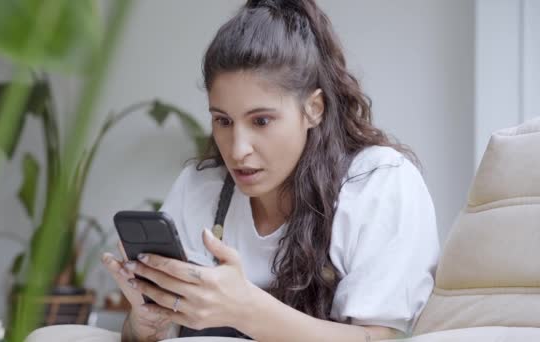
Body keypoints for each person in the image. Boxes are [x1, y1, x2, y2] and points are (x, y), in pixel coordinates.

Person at [102, 0, 440, 341]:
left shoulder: (377, 184)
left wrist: (247, 310)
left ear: (313, 109)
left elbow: (379, 339)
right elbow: (155, 333)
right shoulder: (199, 189)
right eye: (223, 121)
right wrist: (146, 323)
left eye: (261, 121)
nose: (237, 149)